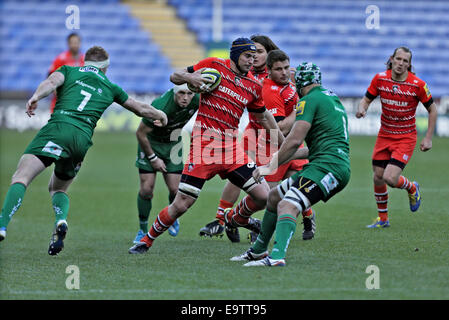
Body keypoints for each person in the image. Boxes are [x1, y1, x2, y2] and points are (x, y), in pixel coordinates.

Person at [0, 46, 168, 256]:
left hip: (58, 128)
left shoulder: (69, 70)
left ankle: (2, 225)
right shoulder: (110, 86)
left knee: (21, 177)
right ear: (105, 67)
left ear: (84, 61)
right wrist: (160, 113)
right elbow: (139, 108)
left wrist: (36, 96)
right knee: (58, 189)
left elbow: (51, 83)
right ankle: (60, 220)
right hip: (81, 141)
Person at [128, 37, 284, 254]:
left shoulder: (253, 85)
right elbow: (175, 76)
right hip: (204, 147)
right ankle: (146, 240)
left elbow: (262, 115)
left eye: (254, 55)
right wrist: (191, 77)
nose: (252, 60)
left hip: (231, 148)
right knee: (182, 203)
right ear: (236, 54)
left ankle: (231, 217)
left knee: (264, 196)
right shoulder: (213, 65)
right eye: (248, 56)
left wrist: (284, 144)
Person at [231, 62, 351, 267]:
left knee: (288, 205)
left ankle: (277, 256)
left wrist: (270, 166)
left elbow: (294, 140)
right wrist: (275, 162)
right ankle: (259, 251)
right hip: (327, 162)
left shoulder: (308, 101)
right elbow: (310, 149)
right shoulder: (331, 97)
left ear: (302, 81)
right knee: (275, 196)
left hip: (327, 168)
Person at [199, 35, 279, 243]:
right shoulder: (243, 74)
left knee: (275, 183)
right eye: (252, 54)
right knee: (241, 174)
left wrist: (280, 134)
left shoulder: (278, 75)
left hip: (271, 133)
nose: (255, 57)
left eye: (260, 52)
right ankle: (223, 219)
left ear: (269, 54)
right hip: (253, 132)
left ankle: (247, 220)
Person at [356, 46, 437, 228]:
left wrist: (428, 138)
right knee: (377, 176)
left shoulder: (417, 85)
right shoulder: (380, 79)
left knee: (390, 178)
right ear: (391, 59)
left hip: (405, 137)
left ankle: (412, 187)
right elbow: (366, 99)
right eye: (398, 59)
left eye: (405, 61)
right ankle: (383, 219)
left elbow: (433, 109)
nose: (400, 64)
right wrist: (362, 108)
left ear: (409, 65)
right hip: (385, 134)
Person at [133, 84, 199, 243]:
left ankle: (172, 216)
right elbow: (140, 133)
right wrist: (153, 158)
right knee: (146, 189)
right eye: (181, 93)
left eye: (189, 94)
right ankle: (142, 229)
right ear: (174, 93)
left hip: (173, 143)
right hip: (151, 142)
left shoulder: (196, 100)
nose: (185, 98)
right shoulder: (159, 106)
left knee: (175, 189)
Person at [48, 33, 85, 113]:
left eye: (77, 42)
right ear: (68, 44)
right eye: (73, 42)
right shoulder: (61, 59)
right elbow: (50, 78)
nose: (75, 45)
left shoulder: (84, 60)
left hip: (77, 103)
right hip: (60, 102)